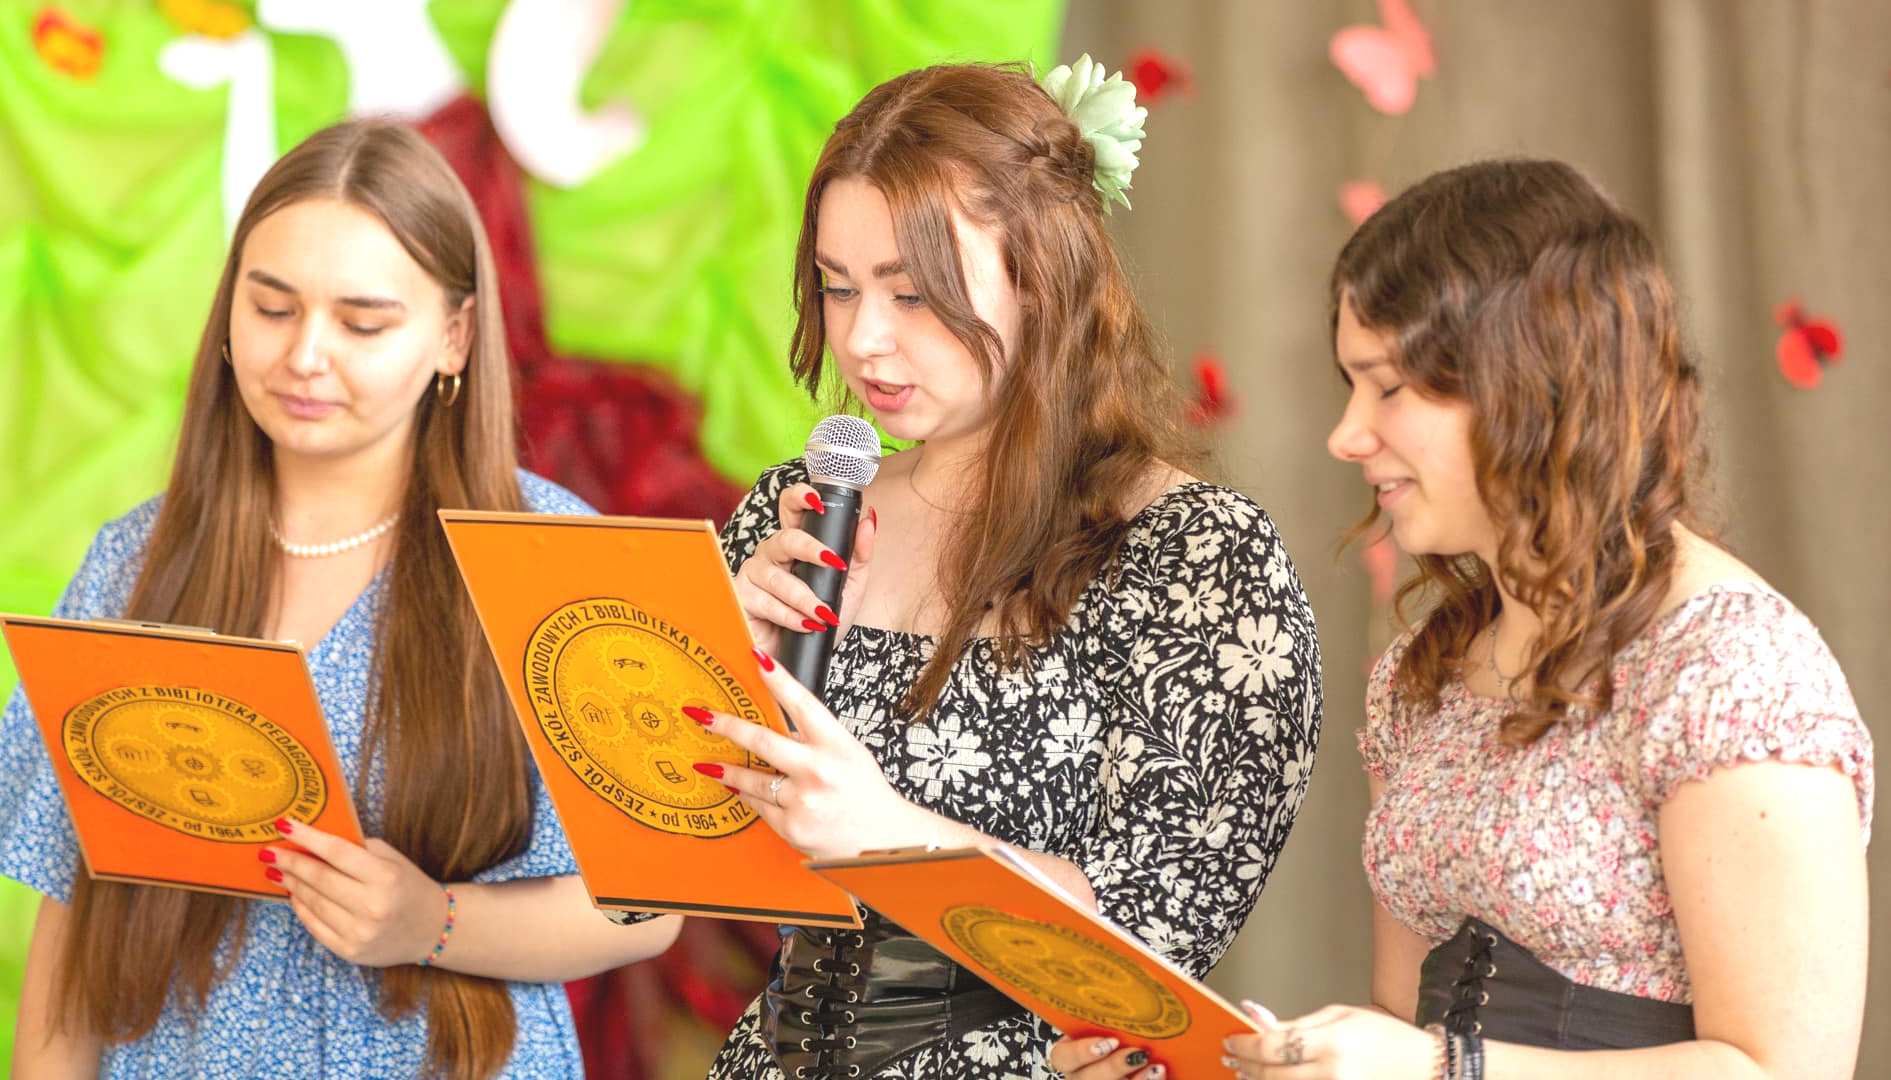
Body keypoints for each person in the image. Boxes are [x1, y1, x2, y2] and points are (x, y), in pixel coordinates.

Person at [1057, 158, 1872, 1080]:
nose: (1346, 435)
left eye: (1386, 388)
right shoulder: (1427, 671)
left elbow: (1784, 1069)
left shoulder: (1730, 667)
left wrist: (1446, 1067)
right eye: (1349, 386)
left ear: (1526, 382)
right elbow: (1400, 1030)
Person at [3, 119, 680, 1079]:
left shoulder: (551, 556)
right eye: (272, 308)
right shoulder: (132, 564)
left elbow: (648, 909)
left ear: (454, 336)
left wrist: (433, 923)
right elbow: (71, 929)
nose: (306, 356)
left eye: (363, 324)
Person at [689, 57, 1323, 1080]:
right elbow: (664, 881)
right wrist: (708, 675)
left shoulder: (1199, 559)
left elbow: (1160, 932)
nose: (864, 338)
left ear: (1044, 278)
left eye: (914, 294)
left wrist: (889, 837)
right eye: (838, 288)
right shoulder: (795, 513)